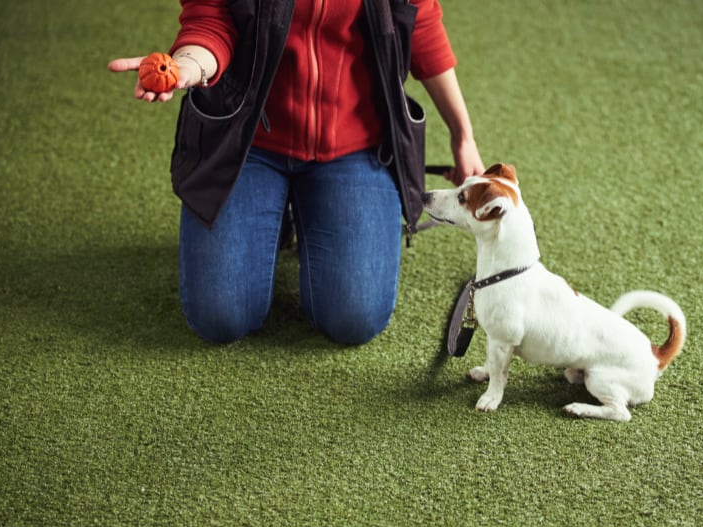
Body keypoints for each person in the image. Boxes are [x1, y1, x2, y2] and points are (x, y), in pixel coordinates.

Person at [109, 0, 484, 345]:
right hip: (248, 144)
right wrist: (189, 66)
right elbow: (210, 19)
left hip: (355, 146)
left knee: (354, 319)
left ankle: (305, 214)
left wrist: (462, 134)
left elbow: (423, 27)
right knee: (220, 318)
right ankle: (282, 216)